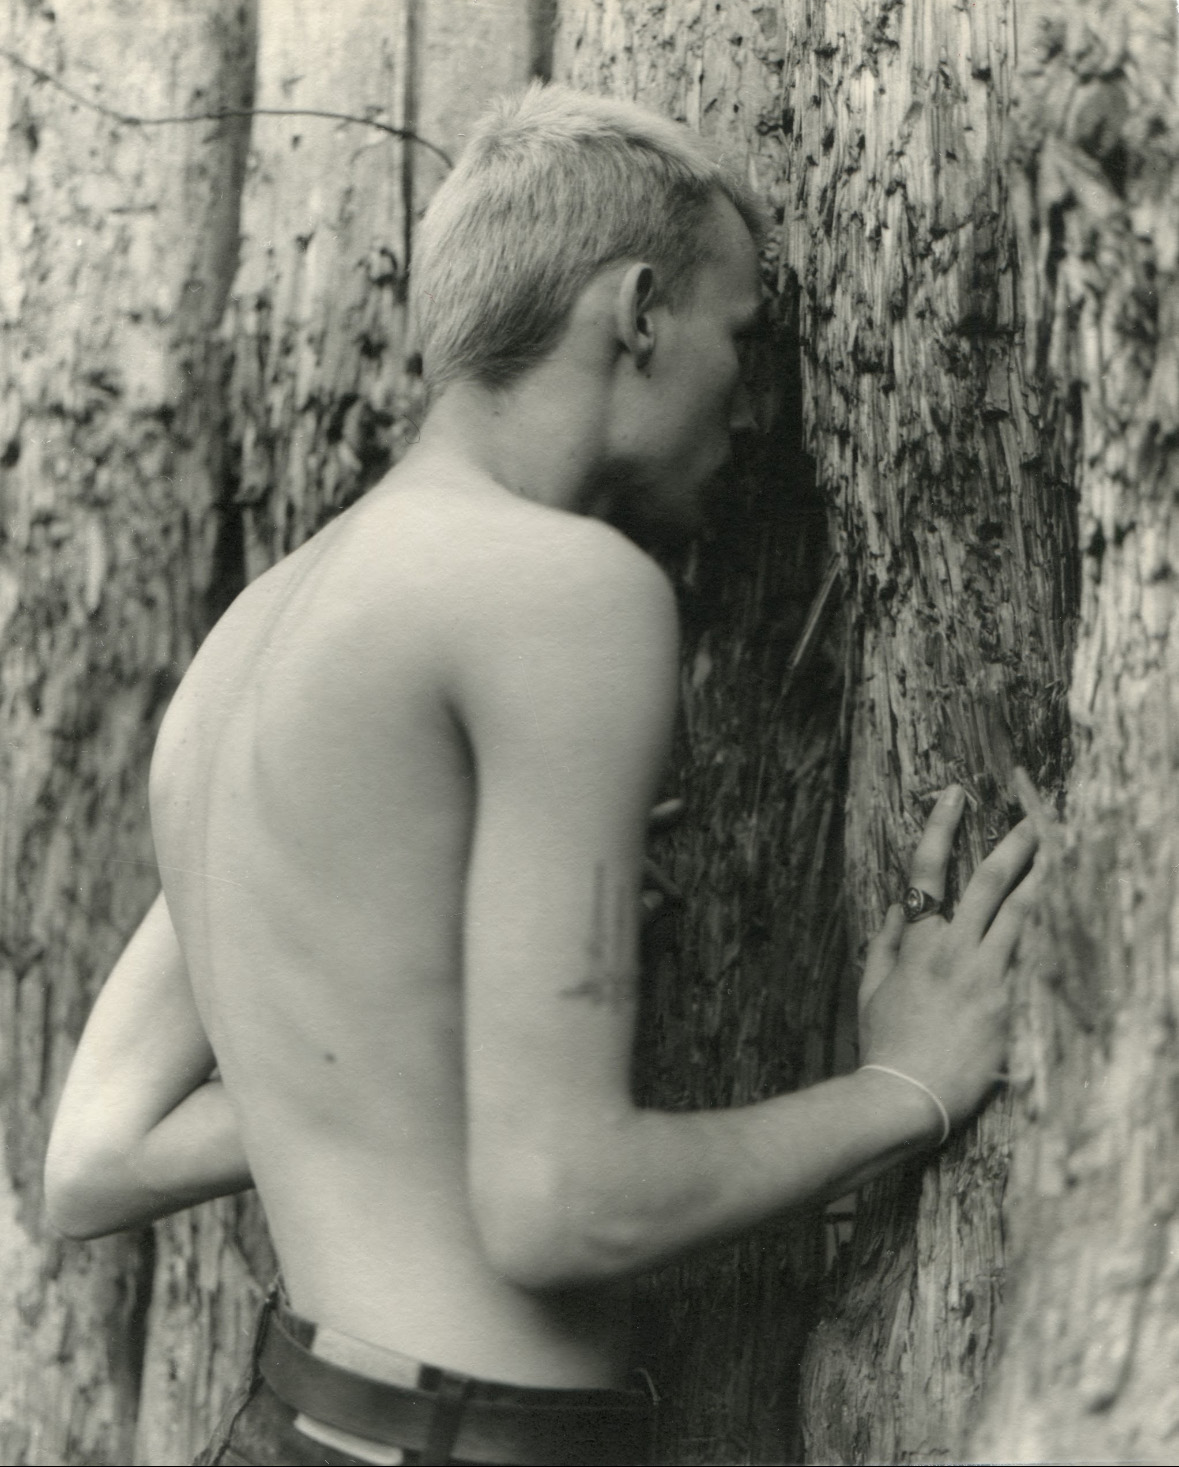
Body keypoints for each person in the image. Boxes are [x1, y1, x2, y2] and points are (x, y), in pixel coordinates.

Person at [43, 83, 1038, 1467]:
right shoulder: (561, 590)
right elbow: (562, 1205)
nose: (752, 411)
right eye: (739, 340)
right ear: (637, 312)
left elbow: (94, 1157)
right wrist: (907, 1086)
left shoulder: (257, 635)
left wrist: (430, 1005)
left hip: (300, 1423)